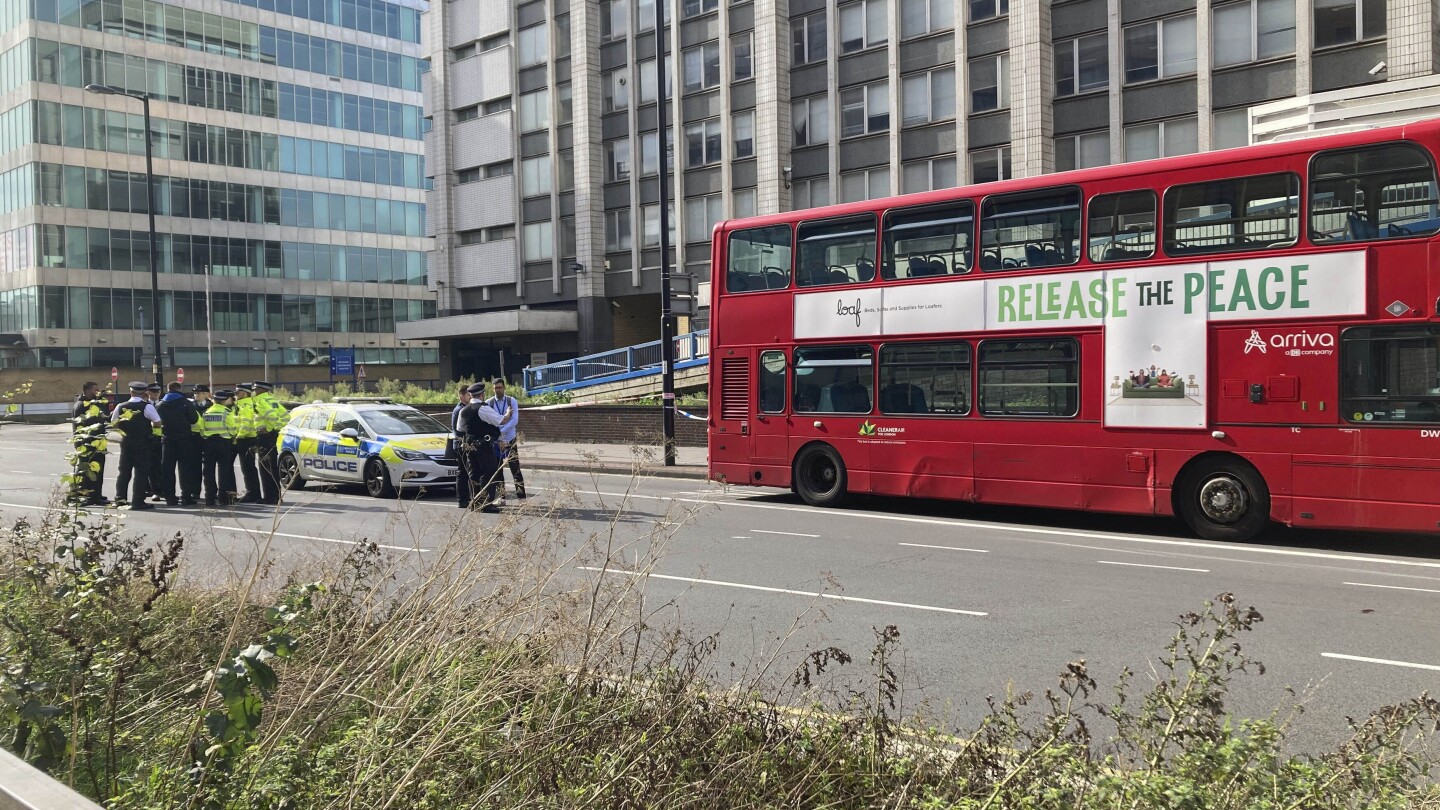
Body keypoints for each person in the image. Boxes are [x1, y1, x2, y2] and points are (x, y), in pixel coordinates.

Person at [111, 381, 162, 510]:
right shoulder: (147, 406)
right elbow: (157, 422)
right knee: (141, 472)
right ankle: (138, 501)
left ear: (131, 392)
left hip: (126, 442)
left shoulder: (121, 406)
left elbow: (114, 423)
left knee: (124, 472)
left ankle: (120, 499)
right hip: (143, 443)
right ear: (144, 393)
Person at [455, 382, 503, 512]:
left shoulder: (463, 411)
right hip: (483, 446)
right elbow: (500, 420)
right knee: (489, 472)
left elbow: (459, 428)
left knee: (474, 474)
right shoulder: (483, 408)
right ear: (482, 394)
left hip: (469, 446)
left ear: (470, 395)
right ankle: (486, 504)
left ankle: (475, 502)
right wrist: (509, 413)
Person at [156, 382, 201, 506]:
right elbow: (194, 419)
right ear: (179, 389)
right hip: (184, 439)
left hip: (167, 439)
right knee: (185, 468)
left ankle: (170, 497)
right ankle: (186, 497)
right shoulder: (186, 403)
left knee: (167, 469)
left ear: (168, 389)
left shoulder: (160, 404)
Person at [69, 382, 110, 506]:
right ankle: (91, 496)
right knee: (91, 470)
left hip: (91, 442)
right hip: (89, 443)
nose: (97, 392)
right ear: (87, 391)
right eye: (95, 390)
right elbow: (95, 421)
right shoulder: (84, 405)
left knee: (94, 470)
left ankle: (95, 494)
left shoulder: (86, 403)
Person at [488, 379, 526, 500]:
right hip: (496, 442)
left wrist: (501, 431)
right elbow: (489, 422)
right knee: (498, 470)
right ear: (493, 389)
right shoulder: (489, 403)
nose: (498, 390)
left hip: (510, 439)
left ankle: (522, 497)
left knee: (515, 469)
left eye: (500, 387)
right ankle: (501, 497)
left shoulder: (511, 401)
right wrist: (498, 435)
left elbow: (514, 420)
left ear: (504, 388)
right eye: (495, 388)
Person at [201, 390, 239, 506]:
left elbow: (202, 431)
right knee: (224, 471)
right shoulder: (227, 412)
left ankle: (209, 498)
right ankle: (223, 498)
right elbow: (233, 429)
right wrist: (232, 437)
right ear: (223, 401)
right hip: (223, 443)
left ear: (214, 400)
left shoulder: (207, 412)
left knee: (208, 471)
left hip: (208, 443)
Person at [252, 381, 288, 504]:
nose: (254, 391)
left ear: (262, 390)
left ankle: (270, 497)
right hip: (272, 437)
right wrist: (277, 429)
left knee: (265, 468)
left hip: (264, 437)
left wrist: (269, 429)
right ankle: (276, 496)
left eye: (256, 389)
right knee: (272, 466)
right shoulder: (273, 401)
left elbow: (271, 416)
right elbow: (286, 418)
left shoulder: (260, 401)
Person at [233, 383, 261, 503]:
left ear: (244, 393)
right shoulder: (245, 403)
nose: (236, 395)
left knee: (248, 468)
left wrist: (238, 437)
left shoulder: (245, 404)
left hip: (246, 439)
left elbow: (246, 423)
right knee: (249, 468)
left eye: (237, 393)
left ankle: (252, 493)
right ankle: (253, 493)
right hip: (249, 438)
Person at [451, 384, 473, 508]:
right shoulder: (460, 410)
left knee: (465, 473)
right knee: (463, 473)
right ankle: (462, 500)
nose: (470, 397)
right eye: (468, 395)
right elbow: (459, 430)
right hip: (461, 445)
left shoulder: (464, 408)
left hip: (462, 444)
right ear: (461, 396)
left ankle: (465, 498)